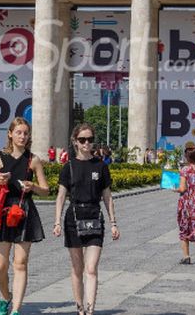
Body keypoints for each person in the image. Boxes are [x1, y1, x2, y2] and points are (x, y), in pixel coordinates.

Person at [53, 123, 121, 315]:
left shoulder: (100, 166)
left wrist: (113, 223)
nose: (86, 143)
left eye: (90, 140)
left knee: (90, 268)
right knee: (77, 268)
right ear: (75, 142)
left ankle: (90, 310)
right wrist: (57, 222)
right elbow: (60, 196)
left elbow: (107, 196)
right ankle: (80, 307)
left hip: (94, 217)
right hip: (73, 218)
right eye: (82, 140)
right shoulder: (68, 167)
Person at [0, 117, 50, 315]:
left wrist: (34, 187)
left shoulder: (34, 160)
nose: (22, 136)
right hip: (2, 210)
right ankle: (6, 296)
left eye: (25, 133)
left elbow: (46, 190)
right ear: (10, 134)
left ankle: (15, 310)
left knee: (20, 263)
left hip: (24, 210)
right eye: (19, 132)